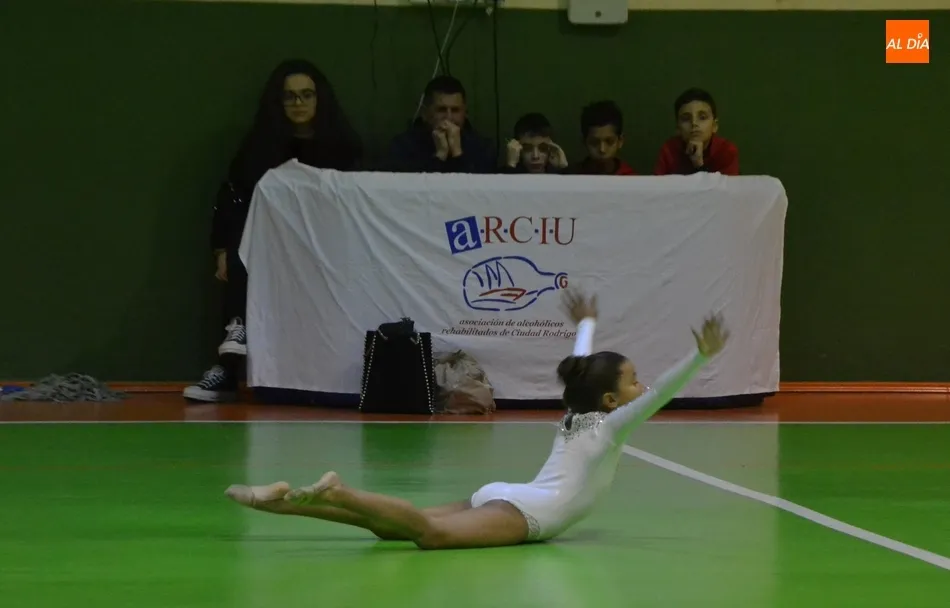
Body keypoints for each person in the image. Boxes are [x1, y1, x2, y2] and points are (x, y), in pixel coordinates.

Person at [224, 290, 729, 549]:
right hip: (530, 514)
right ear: (613, 400)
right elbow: (663, 394)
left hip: (507, 495)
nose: (642, 387)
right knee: (430, 534)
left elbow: (581, 367)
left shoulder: (576, 414)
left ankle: (281, 503)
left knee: (394, 530)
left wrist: (588, 324)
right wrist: (700, 357)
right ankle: (339, 492)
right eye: (634, 382)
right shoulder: (610, 426)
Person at [183, 59, 363, 403]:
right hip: (269, 249)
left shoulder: (345, 148)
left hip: (325, 251)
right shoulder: (258, 147)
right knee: (240, 257)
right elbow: (233, 198)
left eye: (306, 94)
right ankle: (229, 365)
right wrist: (222, 249)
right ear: (277, 103)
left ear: (320, 99)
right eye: (290, 96)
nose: (298, 103)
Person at [382, 75, 495, 173]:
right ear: (425, 113)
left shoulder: (482, 149)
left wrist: (457, 153)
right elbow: (413, 187)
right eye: (441, 110)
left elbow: (476, 188)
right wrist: (440, 155)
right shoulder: (403, 147)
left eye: (455, 110)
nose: (449, 117)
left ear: (465, 113)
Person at [653, 88, 739, 176]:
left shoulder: (727, 151)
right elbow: (658, 184)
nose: (694, 123)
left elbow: (726, 185)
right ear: (678, 128)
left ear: (714, 126)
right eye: (686, 119)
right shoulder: (669, 151)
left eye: (702, 117)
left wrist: (699, 165)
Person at [569, 100, 636, 175]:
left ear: (620, 141)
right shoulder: (572, 176)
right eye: (594, 143)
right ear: (584, 141)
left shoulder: (629, 178)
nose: (602, 150)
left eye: (609, 142)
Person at [502, 113, 569, 174]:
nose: (535, 156)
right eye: (527, 148)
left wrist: (563, 168)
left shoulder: (556, 176)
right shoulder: (499, 177)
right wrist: (511, 165)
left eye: (543, 148)